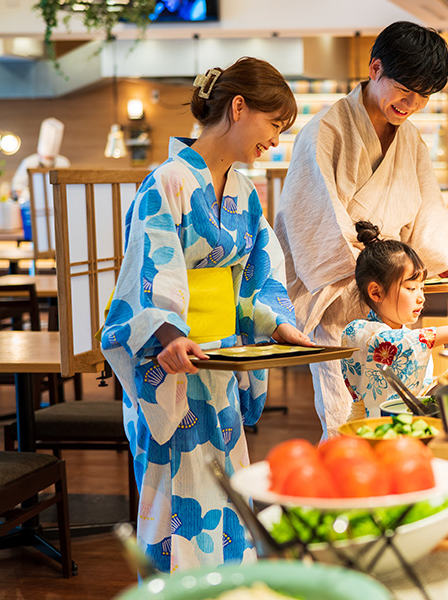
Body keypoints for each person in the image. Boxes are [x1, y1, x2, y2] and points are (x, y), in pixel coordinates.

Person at [100, 57, 311, 573]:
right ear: (238, 108)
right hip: (171, 363)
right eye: (274, 126)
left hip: (219, 367)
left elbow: (260, 271)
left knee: (228, 500)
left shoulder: (244, 193)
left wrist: (278, 322)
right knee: (176, 507)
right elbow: (149, 268)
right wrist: (167, 331)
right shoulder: (167, 182)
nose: (276, 142)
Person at [275, 21, 448, 438]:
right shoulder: (324, 132)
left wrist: (446, 262)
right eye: (406, 89)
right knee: (348, 417)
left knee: (404, 410)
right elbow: (314, 217)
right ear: (375, 68)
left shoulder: (411, 139)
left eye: (424, 96)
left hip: (393, 300)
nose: (413, 103)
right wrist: (375, 279)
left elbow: (427, 206)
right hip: (345, 296)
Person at [341, 221, 448, 418]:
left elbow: (418, 389)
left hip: (408, 418)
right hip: (373, 423)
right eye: (411, 288)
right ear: (376, 292)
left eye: (422, 287)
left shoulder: (405, 334)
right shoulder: (359, 331)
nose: (421, 297)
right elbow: (395, 343)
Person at [11, 117, 71, 200]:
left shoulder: (63, 163)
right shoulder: (29, 162)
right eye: (46, 158)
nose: (48, 162)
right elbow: (17, 186)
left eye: (50, 159)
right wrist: (27, 196)